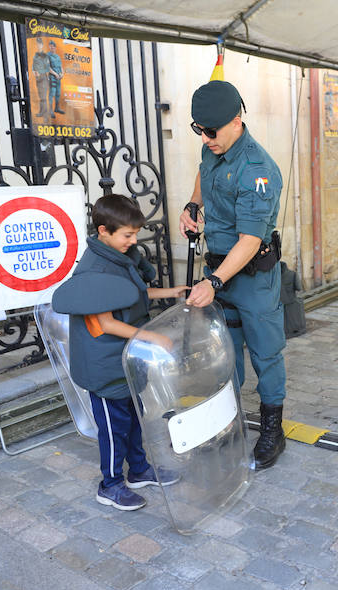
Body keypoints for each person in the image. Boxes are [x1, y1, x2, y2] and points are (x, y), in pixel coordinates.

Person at [52, 194, 188, 511]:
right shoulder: (96, 268)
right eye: (127, 234)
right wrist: (150, 337)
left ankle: (139, 471)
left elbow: (133, 294)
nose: (133, 240)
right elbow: (106, 322)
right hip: (106, 365)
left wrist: (172, 292)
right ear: (104, 231)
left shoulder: (116, 257)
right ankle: (110, 485)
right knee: (114, 429)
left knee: (135, 419)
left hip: (124, 360)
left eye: (134, 233)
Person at [180, 80, 288, 470]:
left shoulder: (257, 170)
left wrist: (214, 282)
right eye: (199, 130)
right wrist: (193, 206)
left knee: (266, 353)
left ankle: (274, 432)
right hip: (219, 272)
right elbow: (203, 174)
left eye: (212, 131)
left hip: (252, 277)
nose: (206, 138)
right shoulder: (214, 147)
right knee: (226, 354)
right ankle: (230, 423)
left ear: (237, 119)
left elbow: (249, 241)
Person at [31, 37, 50, 118]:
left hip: (43, 77)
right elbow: (33, 66)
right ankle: (42, 112)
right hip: (37, 77)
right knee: (40, 96)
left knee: (43, 97)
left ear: (42, 45)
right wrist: (34, 71)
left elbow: (47, 68)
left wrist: (39, 72)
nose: (38, 45)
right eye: (37, 44)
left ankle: (44, 113)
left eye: (40, 44)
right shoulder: (35, 55)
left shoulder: (45, 56)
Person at [46, 39, 64, 117]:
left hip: (58, 78)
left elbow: (61, 67)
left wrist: (62, 73)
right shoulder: (47, 55)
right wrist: (55, 74)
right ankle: (50, 110)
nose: (52, 47)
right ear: (49, 47)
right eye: (51, 46)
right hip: (52, 77)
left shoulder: (57, 57)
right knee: (52, 93)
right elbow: (47, 67)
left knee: (58, 93)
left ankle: (57, 108)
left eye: (53, 46)